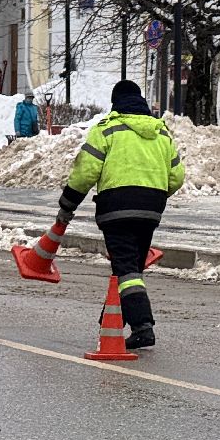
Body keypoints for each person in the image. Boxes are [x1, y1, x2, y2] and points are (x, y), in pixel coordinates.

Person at [56, 80, 185, 350]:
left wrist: (67, 205)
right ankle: (110, 320)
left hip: (116, 208)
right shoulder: (161, 133)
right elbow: (176, 177)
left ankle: (142, 326)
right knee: (131, 268)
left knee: (126, 268)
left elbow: (85, 172)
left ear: (116, 103)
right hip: (151, 210)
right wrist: (154, 193)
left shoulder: (107, 129)